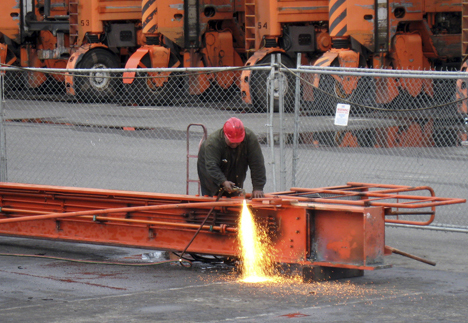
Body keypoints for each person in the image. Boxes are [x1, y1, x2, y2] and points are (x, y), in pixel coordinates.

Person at [197, 117, 266, 198]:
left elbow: (257, 163)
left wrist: (258, 187)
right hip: (209, 169)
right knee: (214, 196)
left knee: (233, 193)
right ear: (225, 135)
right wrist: (223, 181)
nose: (234, 145)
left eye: (237, 142)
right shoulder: (212, 143)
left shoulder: (250, 138)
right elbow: (212, 166)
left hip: (234, 161)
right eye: (232, 142)